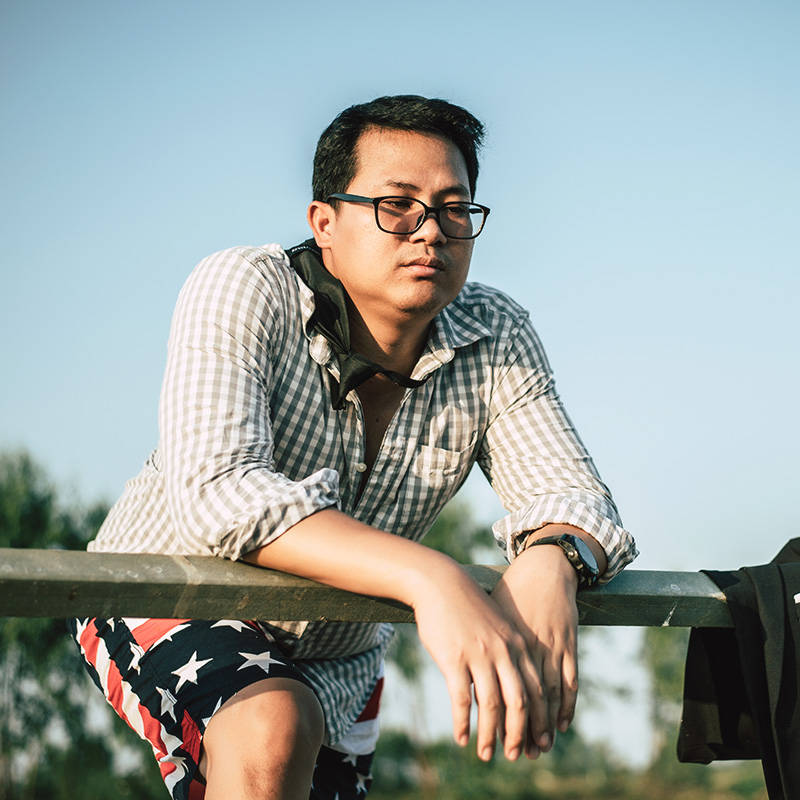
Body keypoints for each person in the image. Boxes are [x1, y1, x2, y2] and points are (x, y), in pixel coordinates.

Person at [69, 94, 637, 800]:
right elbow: (221, 494)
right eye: (397, 205)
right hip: (173, 596)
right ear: (325, 223)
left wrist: (554, 558)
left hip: (342, 652)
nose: (430, 231)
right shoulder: (243, 286)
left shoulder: (495, 335)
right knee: (271, 725)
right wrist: (434, 579)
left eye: (454, 209)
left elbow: (575, 496)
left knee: (293, 743)